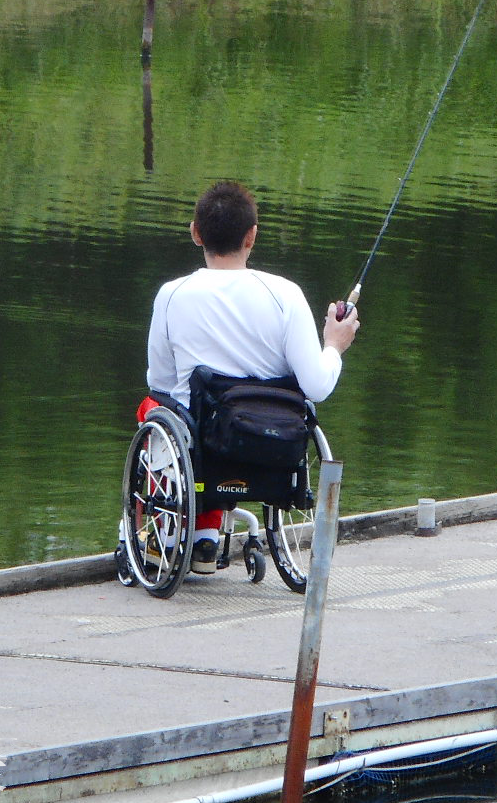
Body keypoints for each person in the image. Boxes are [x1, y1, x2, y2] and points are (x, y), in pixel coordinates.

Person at [145, 180, 359, 573]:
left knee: (154, 409)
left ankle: (172, 533)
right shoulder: (286, 294)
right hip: (274, 440)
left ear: (195, 232)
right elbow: (317, 386)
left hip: (204, 439)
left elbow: (160, 381)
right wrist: (334, 345)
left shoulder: (172, 295)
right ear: (252, 236)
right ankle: (206, 536)